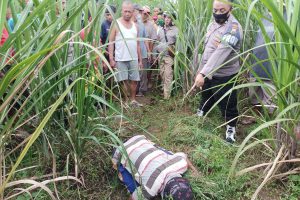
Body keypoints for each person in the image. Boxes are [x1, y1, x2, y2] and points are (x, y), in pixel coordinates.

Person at [195, 0, 243, 143]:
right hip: (208, 71)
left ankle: (231, 128)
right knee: (206, 94)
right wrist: (201, 70)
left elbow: (220, 53)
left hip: (224, 75)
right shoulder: (213, 23)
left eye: (222, 10)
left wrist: (203, 73)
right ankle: (201, 113)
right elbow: (208, 49)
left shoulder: (233, 29)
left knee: (227, 103)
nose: (217, 14)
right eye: (215, 10)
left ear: (230, 9)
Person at [112, 135, 197, 200]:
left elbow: (184, 156)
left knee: (168, 154)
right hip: (120, 150)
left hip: (139, 139)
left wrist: (196, 172)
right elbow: (134, 198)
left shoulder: (180, 164)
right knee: (134, 187)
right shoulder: (150, 188)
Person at [242, 17, 276, 125]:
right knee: (254, 94)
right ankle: (255, 116)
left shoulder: (289, 16)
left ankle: (269, 124)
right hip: (257, 64)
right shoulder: (264, 17)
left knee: (271, 99)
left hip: (272, 68)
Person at [109, 1, 143, 107]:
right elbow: (111, 42)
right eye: (125, 11)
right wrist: (111, 59)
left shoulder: (135, 26)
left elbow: (137, 44)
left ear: (133, 12)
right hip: (120, 58)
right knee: (122, 81)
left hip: (133, 58)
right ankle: (125, 101)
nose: (127, 13)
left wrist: (140, 60)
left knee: (134, 80)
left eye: (129, 11)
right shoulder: (116, 24)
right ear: (121, 11)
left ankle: (133, 100)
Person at [155, 12, 178, 100]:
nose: (167, 19)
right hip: (161, 56)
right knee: (162, 74)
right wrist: (156, 54)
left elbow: (178, 43)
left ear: (172, 19)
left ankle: (166, 97)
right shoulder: (160, 29)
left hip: (169, 56)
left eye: (169, 18)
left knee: (168, 74)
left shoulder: (176, 30)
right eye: (166, 18)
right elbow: (157, 41)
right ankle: (165, 91)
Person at [133, 4, 151, 97]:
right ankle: (133, 91)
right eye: (139, 11)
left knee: (143, 72)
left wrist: (148, 51)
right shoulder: (129, 23)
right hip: (132, 53)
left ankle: (142, 90)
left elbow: (145, 38)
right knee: (134, 72)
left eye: (141, 12)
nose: (140, 14)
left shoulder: (141, 25)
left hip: (143, 51)